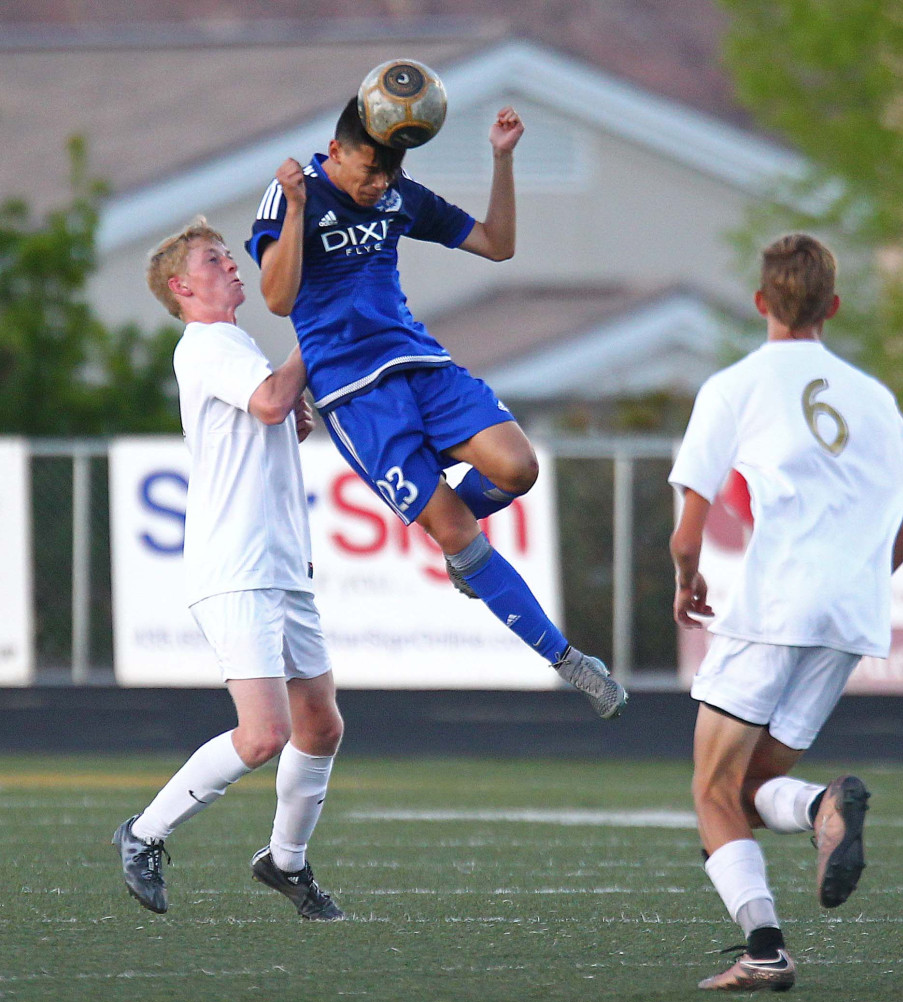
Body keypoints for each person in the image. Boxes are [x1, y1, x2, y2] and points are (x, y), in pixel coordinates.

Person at [245, 96, 626, 720]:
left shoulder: (397, 193)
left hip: (419, 362)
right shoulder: (292, 193)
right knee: (457, 528)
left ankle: (463, 555)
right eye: (367, 171)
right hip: (354, 393)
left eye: (387, 174)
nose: (376, 185)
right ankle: (569, 662)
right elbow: (278, 299)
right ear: (335, 151)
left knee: (518, 468)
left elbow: (496, 244)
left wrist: (501, 161)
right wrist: (293, 210)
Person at [668, 233, 903, 992]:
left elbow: (688, 529)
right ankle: (819, 807)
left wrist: (687, 582)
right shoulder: (875, 398)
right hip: (851, 616)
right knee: (746, 791)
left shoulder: (734, 385)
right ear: (832, 307)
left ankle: (767, 949)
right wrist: (846, 587)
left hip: (773, 606)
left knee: (711, 790)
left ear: (759, 303)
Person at [112, 216, 345, 922]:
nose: (234, 266)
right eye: (216, 260)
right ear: (183, 287)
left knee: (321, 726)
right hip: (236, 567)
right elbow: (273, 399)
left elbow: (272, 412)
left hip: (279, 566)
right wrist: (312, 340)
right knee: (263, 735)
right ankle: (143, 834)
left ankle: (285, 862)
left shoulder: (233, 344)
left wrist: (288, 413)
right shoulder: (208, 343)